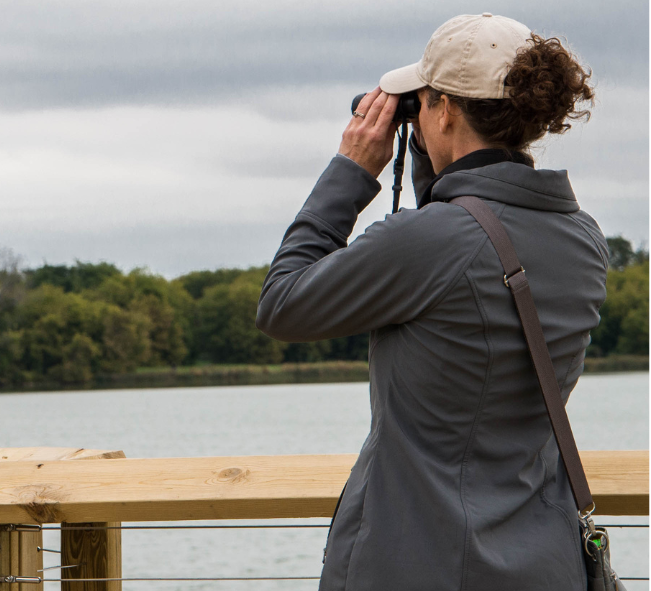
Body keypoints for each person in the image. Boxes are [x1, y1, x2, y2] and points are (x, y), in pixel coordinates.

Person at [255, 13, 605, 591]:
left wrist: (349, 171)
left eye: (422, 103)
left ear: (441, 110)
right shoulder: (583, 238)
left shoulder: (428, 243)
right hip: (543, 563)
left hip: (421, 564)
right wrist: (435, 167)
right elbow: (470, 245)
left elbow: (282, 305)